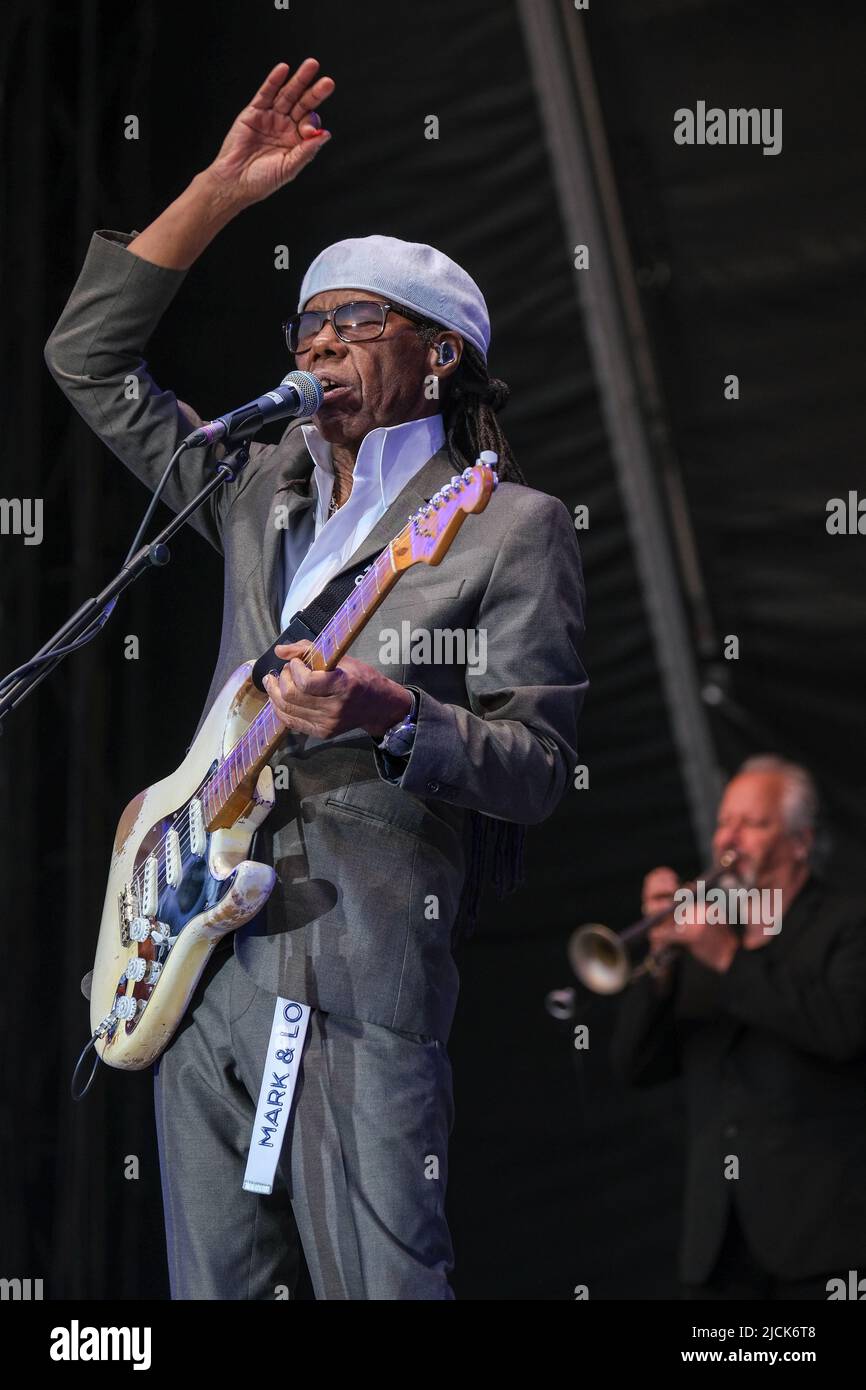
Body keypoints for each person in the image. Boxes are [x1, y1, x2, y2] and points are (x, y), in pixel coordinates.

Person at [44, 59, 587, 1300]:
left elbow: (540, 767)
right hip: (198, 954)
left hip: (358, 967)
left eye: (358, 322)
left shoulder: (512, 529)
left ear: (440, 355)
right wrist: (219, 193)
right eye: (310, 323)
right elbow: (87, 359)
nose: (323, 342)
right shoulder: (256, 488)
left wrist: (391, 712)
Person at [610, 755, 866, 1299]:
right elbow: (636, 1066)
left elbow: (843, 1031)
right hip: (721, 1247)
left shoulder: (848, 924)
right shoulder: (706, 941)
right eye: (726, 821)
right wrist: (660, 964)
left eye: (753, 823)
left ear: (800, 840)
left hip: (828, 1245)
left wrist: (728, 958)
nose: (731, 838)